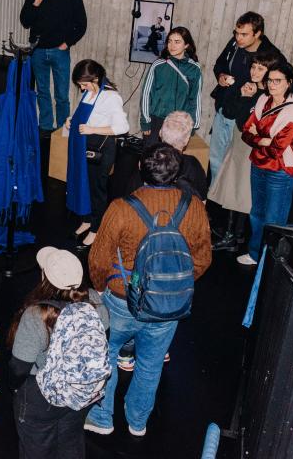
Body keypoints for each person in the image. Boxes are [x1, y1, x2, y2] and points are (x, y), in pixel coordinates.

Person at [86, 144, 212, 437]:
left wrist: (102, 288)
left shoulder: (120, 208)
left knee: (107, 356)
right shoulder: (193, 207)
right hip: (167, 306)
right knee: (151, 364)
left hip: (120, 299)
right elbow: (203, 259)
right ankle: (138, 421)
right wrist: (172, 284)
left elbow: (99, 260)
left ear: (141, 169)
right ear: (177, 172)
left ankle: (103, 417)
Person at [8, 247, 109, 458]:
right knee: (70, 441)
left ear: (45, 277)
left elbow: (19, 368)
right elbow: (103, 337)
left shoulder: (37, 315)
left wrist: (16, 390)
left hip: (41, 396)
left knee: (36, 448)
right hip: (79, 391)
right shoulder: (95, 302)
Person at [238, 61, 293, 266]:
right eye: (270, 80)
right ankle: (255, 253)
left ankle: (271, 261)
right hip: (258, 164)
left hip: (280, 171)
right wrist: (262, 139)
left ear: (289, 83)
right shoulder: (264, 100)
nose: (272, 84)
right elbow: (246, 131)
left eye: (278, 81)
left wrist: (259, 138)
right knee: (257, 213)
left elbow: (277, 149)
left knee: (274, 219)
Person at [209, 52, 276, 252]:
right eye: (253, 67)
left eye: (260, 69)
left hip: (251, 147)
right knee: (233, 188)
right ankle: (233, 234)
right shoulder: (247, 87)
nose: (254, 72)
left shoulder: (269, 96)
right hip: (239, 144)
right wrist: (240, 95)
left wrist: (246, 99)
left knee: (242, 191)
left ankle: (236, 235)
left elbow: (246, 123)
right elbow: (229, 112)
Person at [209, 12, 286, 183]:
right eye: (236, 33)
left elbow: (288, 84)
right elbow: (220, 63)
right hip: (224, 108)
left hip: (245, 118)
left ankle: (231, 205)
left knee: (237, 167)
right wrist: (221, 75)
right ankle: (213, 200)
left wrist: (260, 93)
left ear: (258, 33)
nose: (238, 38)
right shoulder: (235, 44)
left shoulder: (271, 56)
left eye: (244, 34)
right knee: (215, 160)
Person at [63, 59, 129, 252]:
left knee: (96, 191)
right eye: (80, 86)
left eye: (84, 84)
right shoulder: (89, 93)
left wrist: (93, 129)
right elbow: (83, 117)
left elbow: (123, 127)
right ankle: (86, 220)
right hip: (84, 145)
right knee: (83, 186)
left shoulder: (111, 97)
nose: (82, 89)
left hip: (100, 150)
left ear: (96, 78)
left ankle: (96, 228)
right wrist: (70, 121)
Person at [19, 0, 87, 136]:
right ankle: (46, 129)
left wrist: (67, 43)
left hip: (60, 51)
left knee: (62, 96)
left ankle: (62, 131)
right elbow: (24, 20)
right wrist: (36, 3)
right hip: (38, 50)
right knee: (42, 91)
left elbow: (81, 24)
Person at [140, 26, 202, 147]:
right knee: (150, 161)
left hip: (179, 123)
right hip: (156, 120)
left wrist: (193, 126)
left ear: (186, 45)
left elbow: (195, 99)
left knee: (173, 162)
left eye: (177, 42)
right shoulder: (158, 65)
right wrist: (145, 122)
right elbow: (146, 95)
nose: (172, 45)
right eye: (169, 41)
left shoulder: (194, 68)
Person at [159, 111, 208, 200]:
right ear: (186, 140)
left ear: (160, 133)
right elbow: (203, 195)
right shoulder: (192, 164)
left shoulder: (150, 159)